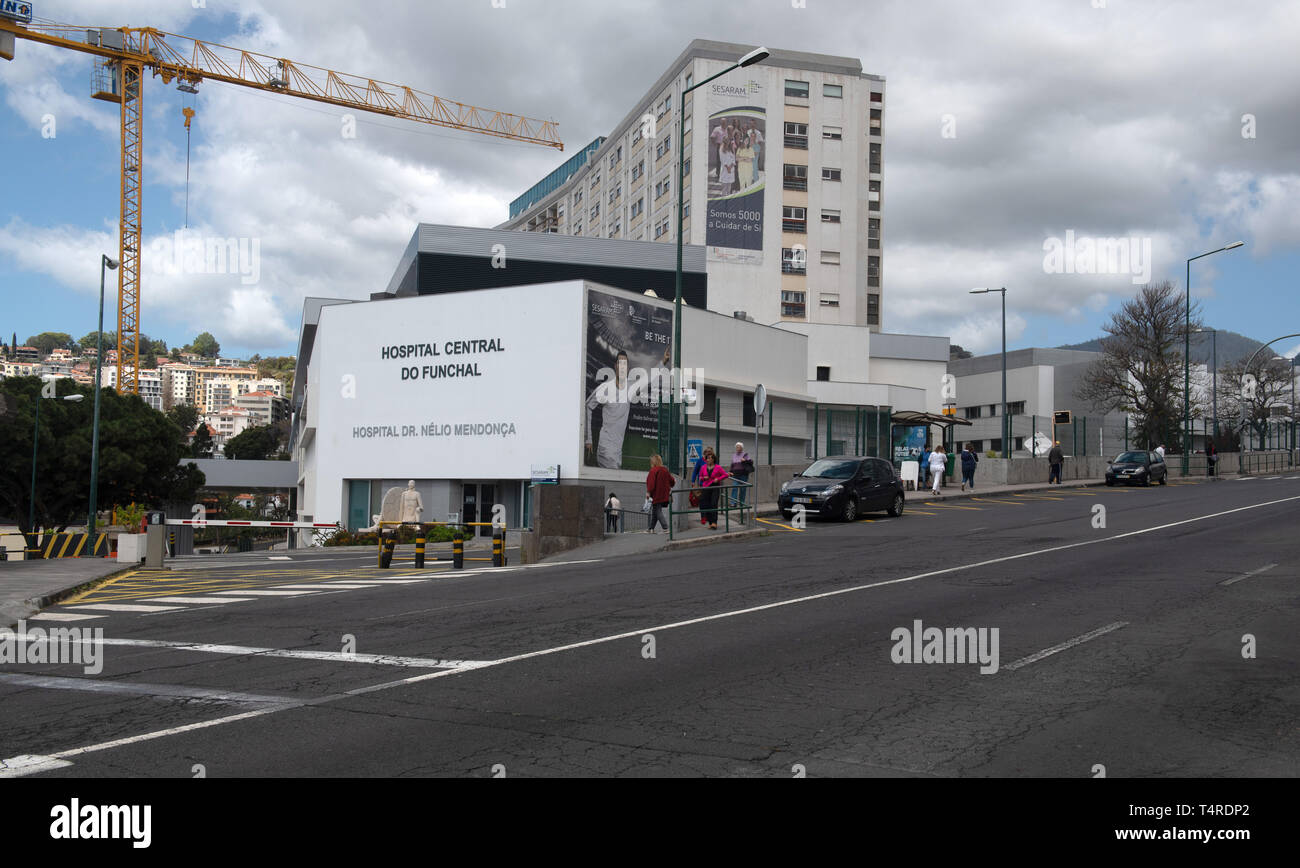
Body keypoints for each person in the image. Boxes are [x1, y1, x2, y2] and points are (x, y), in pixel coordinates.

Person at [585, 350, 630, 469]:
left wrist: (662, 363)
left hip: (617, 452)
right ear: (615, 366)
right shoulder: (605, 388)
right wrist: (588, 439)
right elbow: (588, 406)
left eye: (625, 363)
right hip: (606, 450)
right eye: (620, 363)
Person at [697, 447, 729, 530]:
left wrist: (718, 479)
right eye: (707, 458)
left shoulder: (718, 467)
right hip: (706, 487)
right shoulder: (703, 467)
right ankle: (710, 522)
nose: (708, 460)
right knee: (705, 504)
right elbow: (700, 477)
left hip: (715, 487)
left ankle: (714, 522)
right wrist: (704, 478)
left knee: (714, 504)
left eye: (710, 458)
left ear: (713, 459)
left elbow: (725, 475)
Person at [645, 454, 675, 533]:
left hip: (657, 495)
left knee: (658, 511)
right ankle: (651, 528)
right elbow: (672, 481)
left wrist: (648, 492)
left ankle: (665, 527)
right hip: (665, 495)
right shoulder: (665, 470)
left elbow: (651, 484)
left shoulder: (653, 470)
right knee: (655, 511)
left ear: (653, 462)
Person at [729, 441, 753, 522]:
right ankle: (733, 503)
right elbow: (732, 465)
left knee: (743, 489)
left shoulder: (745, 454)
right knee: (734, 487)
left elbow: (751, 462)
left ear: (742, 448)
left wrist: (744, 460)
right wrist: (730, 471)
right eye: (737, 447)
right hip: (735, 474)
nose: (738, 448)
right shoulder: (734, 455)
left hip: (743, 474)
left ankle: (741, 502)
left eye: (739, 447)